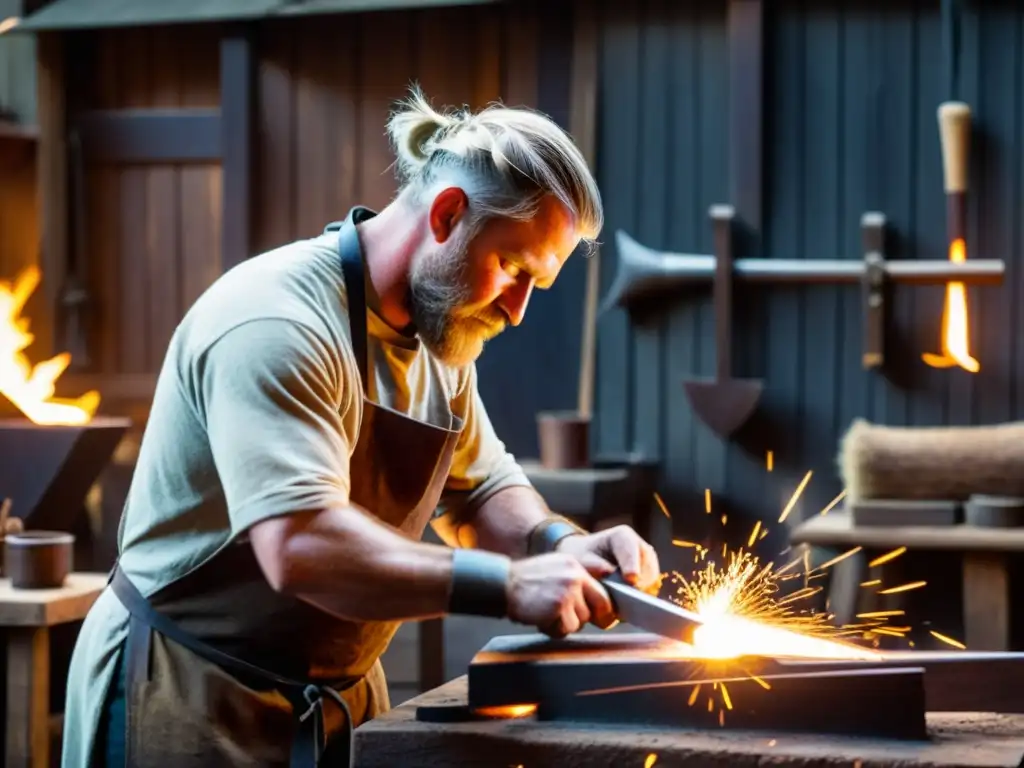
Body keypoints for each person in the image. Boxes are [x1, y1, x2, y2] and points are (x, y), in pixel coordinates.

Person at [62, 87, 662, 768]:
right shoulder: (277, 324)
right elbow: (300, 543)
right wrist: (506, 585)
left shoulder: (441, 336)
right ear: (447, 214)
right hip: (187, 693)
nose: (518, 311)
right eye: (514, 270)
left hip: (333, 705)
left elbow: (481, 488)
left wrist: (561, 543)